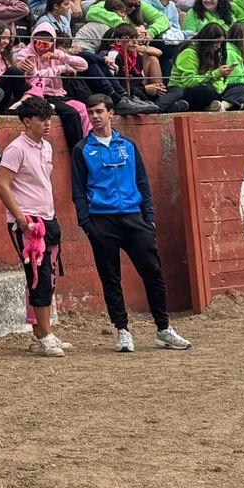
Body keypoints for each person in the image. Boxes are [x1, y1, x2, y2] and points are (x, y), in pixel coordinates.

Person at [71, 96, 193, 353]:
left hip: (134, 217)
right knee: (111, 278)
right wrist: (87, 223)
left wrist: (148, 217)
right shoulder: (82, 149)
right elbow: (79, 190)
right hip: (101, 221)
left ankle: (163, 328)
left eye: (99, 111)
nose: (94, 116)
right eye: (90, 112)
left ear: (111, 113)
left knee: (153, 273)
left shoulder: (128, 145)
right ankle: (122, 330)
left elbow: (142, 183)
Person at [0, 99, 69, 357]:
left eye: (48, 118)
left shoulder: (45, 147)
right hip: (28, 221)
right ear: (27, 121)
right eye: (41, 118)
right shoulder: (16, 149)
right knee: (38, 275)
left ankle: (42, 333)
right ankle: (45, 334)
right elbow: (2, 184)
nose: (47, 123)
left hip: (47, 217)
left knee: (47, 276)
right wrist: (20, 217)